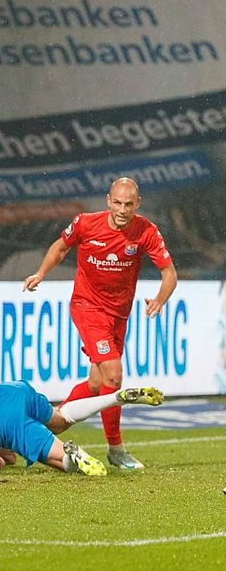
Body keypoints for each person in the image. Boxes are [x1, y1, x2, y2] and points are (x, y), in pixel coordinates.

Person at [24, 177, 177, 470]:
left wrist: (160, 299)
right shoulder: (85, 223)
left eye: (128, 204)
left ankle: (52, 424)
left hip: (119, 314)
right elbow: (60, 247)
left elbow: (169, 272)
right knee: (114, 375)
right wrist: (41, 273)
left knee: (97, 384)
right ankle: (116, 448)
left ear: (137, 204)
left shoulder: (146, 231)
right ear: (108, 200)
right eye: (117, 203)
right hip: (88, 307)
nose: (122, 210)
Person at [0, 380, 165, 474]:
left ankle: (71, 456)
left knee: (51, 459)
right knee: (60, 419)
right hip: (9, 389)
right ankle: (115, 398)